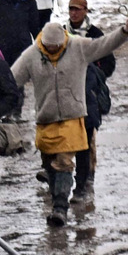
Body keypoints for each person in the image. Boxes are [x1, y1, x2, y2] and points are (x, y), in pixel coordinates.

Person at [12, 22, 127, 224]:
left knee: (64, 163)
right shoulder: (31, 55)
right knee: (50, 165)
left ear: (63, 41)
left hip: (73, 118)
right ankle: (58, 192)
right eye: (49, 46)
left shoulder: (78, 47)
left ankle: (60, 209)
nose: (53, 49)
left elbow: (104, 44)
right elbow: (11, 80)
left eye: (57, 46)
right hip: (45, 120)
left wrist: (124, 31)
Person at [64, 0, 116, 199]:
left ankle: (87, 176)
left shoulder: (95, 34)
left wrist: (96, 75)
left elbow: (109, 61)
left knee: (88, 138)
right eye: (71, 9)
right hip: (67, 91)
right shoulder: (62, 32)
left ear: (85, 11)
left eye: (77, 9)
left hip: (89, 93)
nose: (74, 13)